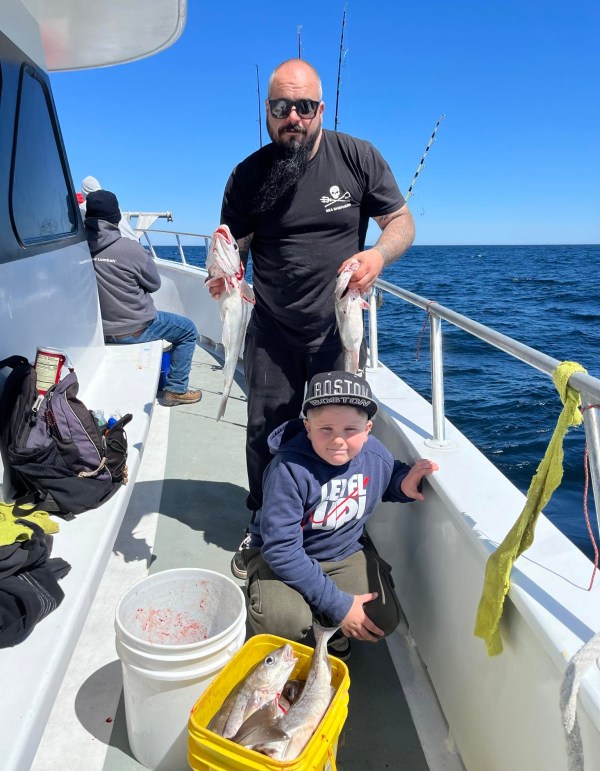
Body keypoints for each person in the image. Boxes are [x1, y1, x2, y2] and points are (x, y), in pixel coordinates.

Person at [208, 58, 416, 580]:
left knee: (341, 432)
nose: (293, 117)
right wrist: (224, 275)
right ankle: (264, 518)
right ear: (268, 112)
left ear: (320, 109)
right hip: (273, 328)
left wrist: (377, 257)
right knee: (265, 431)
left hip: (337, 331)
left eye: (304, 106)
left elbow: (400, 221)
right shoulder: (248, 174)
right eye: (281, 107)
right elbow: (234, 241)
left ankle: (337, 522)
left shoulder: (358, 157)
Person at [244, 371, 438, 660]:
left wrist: (403, 484)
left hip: (342, 553)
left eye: (350, 429)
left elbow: (387, 476)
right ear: (307, 427)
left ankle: (327, 624)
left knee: (381, 618)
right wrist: (341, 605)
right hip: (283, 559)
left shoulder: (374, 454)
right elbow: (281, 549)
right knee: (283, 621)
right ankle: (264, 583)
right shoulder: (288, 470)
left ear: (368, 428)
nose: (338, 440)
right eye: (326, 429)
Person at [84, 189, 202, 407]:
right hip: (135, 328)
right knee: (187, 330)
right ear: (116, 217)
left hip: (98, 331)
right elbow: (154, 284)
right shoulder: (130, 248)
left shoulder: (78, 249)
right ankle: (176, 389)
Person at [79, 175, 138, 241]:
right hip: (133, 241)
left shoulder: (84, 206)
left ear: (83, 191)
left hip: (116, 244)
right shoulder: (110, 201)